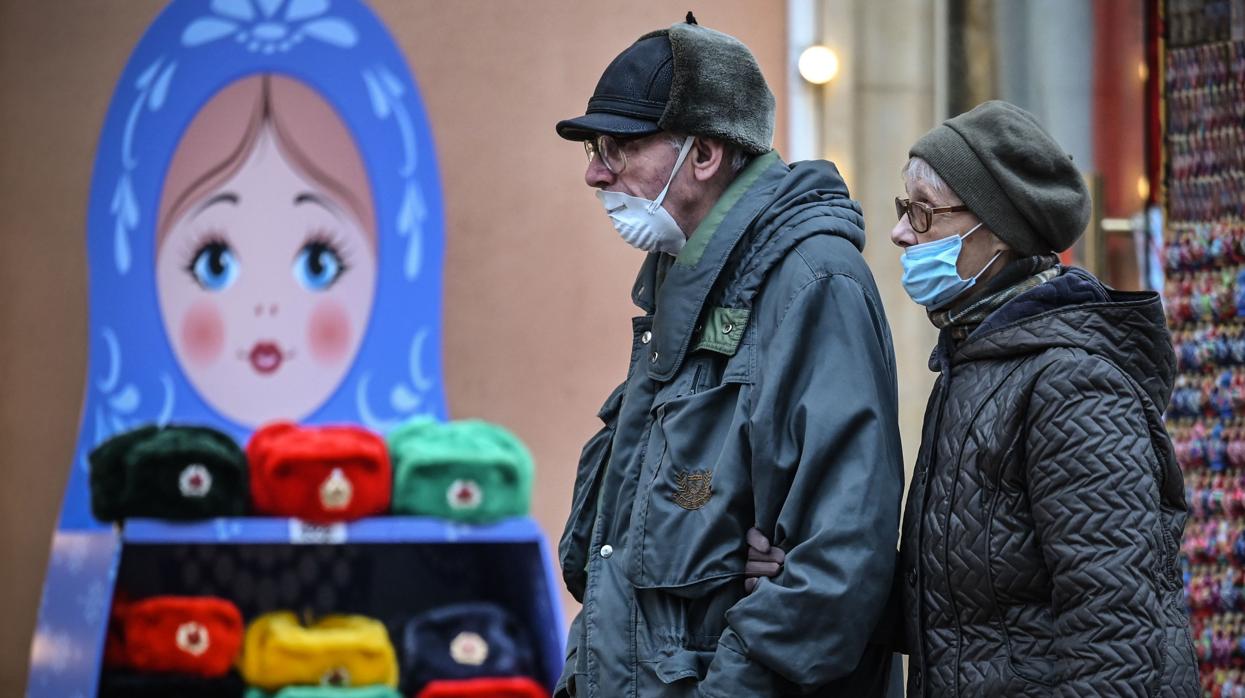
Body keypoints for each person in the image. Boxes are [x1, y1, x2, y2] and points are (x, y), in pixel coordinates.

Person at [749, 100, 1199, 696]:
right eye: (902, 209)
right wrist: (808, 576)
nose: (900, 231)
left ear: (996, 231)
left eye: (923, 214)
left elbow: (1117, 639)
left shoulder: (1071, 384)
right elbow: (970, 609)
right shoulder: (977, 363)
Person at [553, 13, 904, 698]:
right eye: (591, 149)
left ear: (705, 155)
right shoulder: (679, 284)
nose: (595, 173)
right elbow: (615, 559)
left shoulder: (811, 283)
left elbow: (833, 569)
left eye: (616, 146)